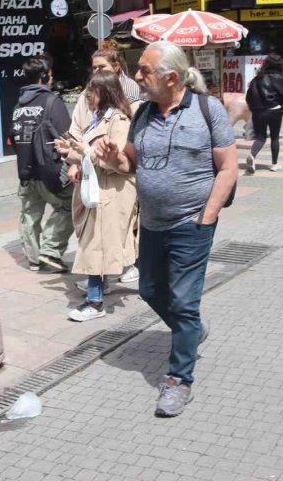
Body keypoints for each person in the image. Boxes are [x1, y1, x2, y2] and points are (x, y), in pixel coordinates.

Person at [93, 40, 238, 417]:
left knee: (183, 302)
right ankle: (190, 331)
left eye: (144, 71)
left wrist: (206, 217)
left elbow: (228, 168)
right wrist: (114, 160)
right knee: (149, 289)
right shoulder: (141, 114)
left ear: (171, 78)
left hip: (192, 224)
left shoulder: (208, 110)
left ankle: (178, 380)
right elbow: (131, 165)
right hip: (152, 225)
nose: (137, 76)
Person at [57, 71, 138, 321]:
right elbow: (89, 155)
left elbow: (119, 161)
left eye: (90, 92)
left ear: (103, 93)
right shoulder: (97, 118)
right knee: (98, 245)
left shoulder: (120, 119)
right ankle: (99, 290)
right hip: (98, 190)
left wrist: (86, 151)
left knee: (97, 245)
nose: (87, 97)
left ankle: (95, 302)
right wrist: (68, 152)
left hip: (113, 192)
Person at [65, 43, 142, 286]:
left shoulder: (124, 110)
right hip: (93, 182)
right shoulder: (91, 105)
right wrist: (72, 156)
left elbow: (119, 155)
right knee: (98, 241)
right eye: (93, 67)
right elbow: (77, 132)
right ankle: (105, 283)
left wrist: (87, 152)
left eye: (102, 67)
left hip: (111, 187)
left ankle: (97, 294)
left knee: (103, 241)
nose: (95, 71)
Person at [10, 58, 75, 273]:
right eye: (51, 74)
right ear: (45, 76)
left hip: (25, 173)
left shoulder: (19, 105)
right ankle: (50, 250)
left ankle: (34, 259)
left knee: (29, 214)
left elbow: (12, 139)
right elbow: (67, 138)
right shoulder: (51, 102)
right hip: (49, 173)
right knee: (70, 205)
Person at [245, 53, 283, 174]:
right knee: (275, 137)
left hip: (258, 112)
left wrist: (254, 108)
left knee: (260, 138)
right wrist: (281, 103)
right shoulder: (280, 78)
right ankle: (275, 164)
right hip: (274, 110)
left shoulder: (257, 79)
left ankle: (252, 155)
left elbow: (249, 97)